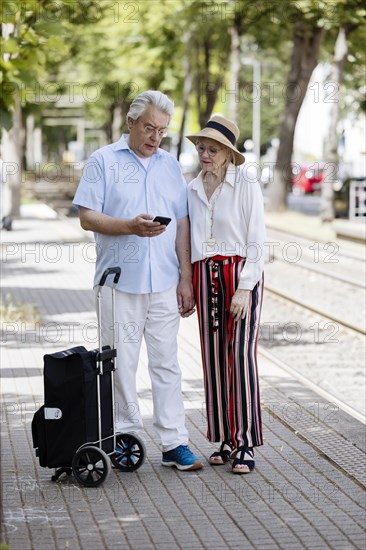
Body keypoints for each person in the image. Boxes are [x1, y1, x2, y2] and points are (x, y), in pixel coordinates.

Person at [73, 90, 203, 471]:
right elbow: (87, 217)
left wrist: (186, 277)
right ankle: (125, 438)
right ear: (130, 123)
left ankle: (174, 443)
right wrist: (128, 227)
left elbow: (181, 222)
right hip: (119, 283)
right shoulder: (102, 162)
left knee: (167, 365)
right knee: (122, 366)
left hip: (164, 281)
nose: (155, 137)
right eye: (149, 128)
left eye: (161, 131)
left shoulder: (169, 166)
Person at [186, 115, 266, 474]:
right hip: (205, 274)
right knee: (213, 358)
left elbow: (258, 240)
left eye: (212, 148)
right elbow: (189, 241)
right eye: (201, 147)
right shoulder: (191, 188)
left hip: (239, 273)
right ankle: (224, 438)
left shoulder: (246, 183)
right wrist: (187, 282)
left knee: (241, 357)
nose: (205, 153)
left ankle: (246, 441)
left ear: (228, 152)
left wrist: (246, 286)